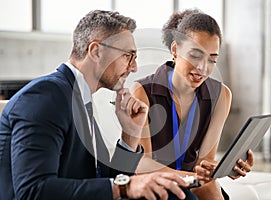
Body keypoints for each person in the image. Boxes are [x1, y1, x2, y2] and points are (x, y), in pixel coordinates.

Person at [0, 10, 197, 200]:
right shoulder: (45, 96)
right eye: (128, 55)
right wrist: (126, 186)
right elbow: (33, 190)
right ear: (96, 51)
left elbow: (102, 180)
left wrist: (130, 135)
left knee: (173, 191)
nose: (134, 67)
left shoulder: (80, 98)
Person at [132, 9, 254, 199]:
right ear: (175, 50)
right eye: (195, 56)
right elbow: (143, 165)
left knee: (208, 187)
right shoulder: (143, 91)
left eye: (212, 59)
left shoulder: (221, 95)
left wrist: (224, 168)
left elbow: (204, 162)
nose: (203, 68)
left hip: (194, 182)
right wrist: (194, 177)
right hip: (154, 183)